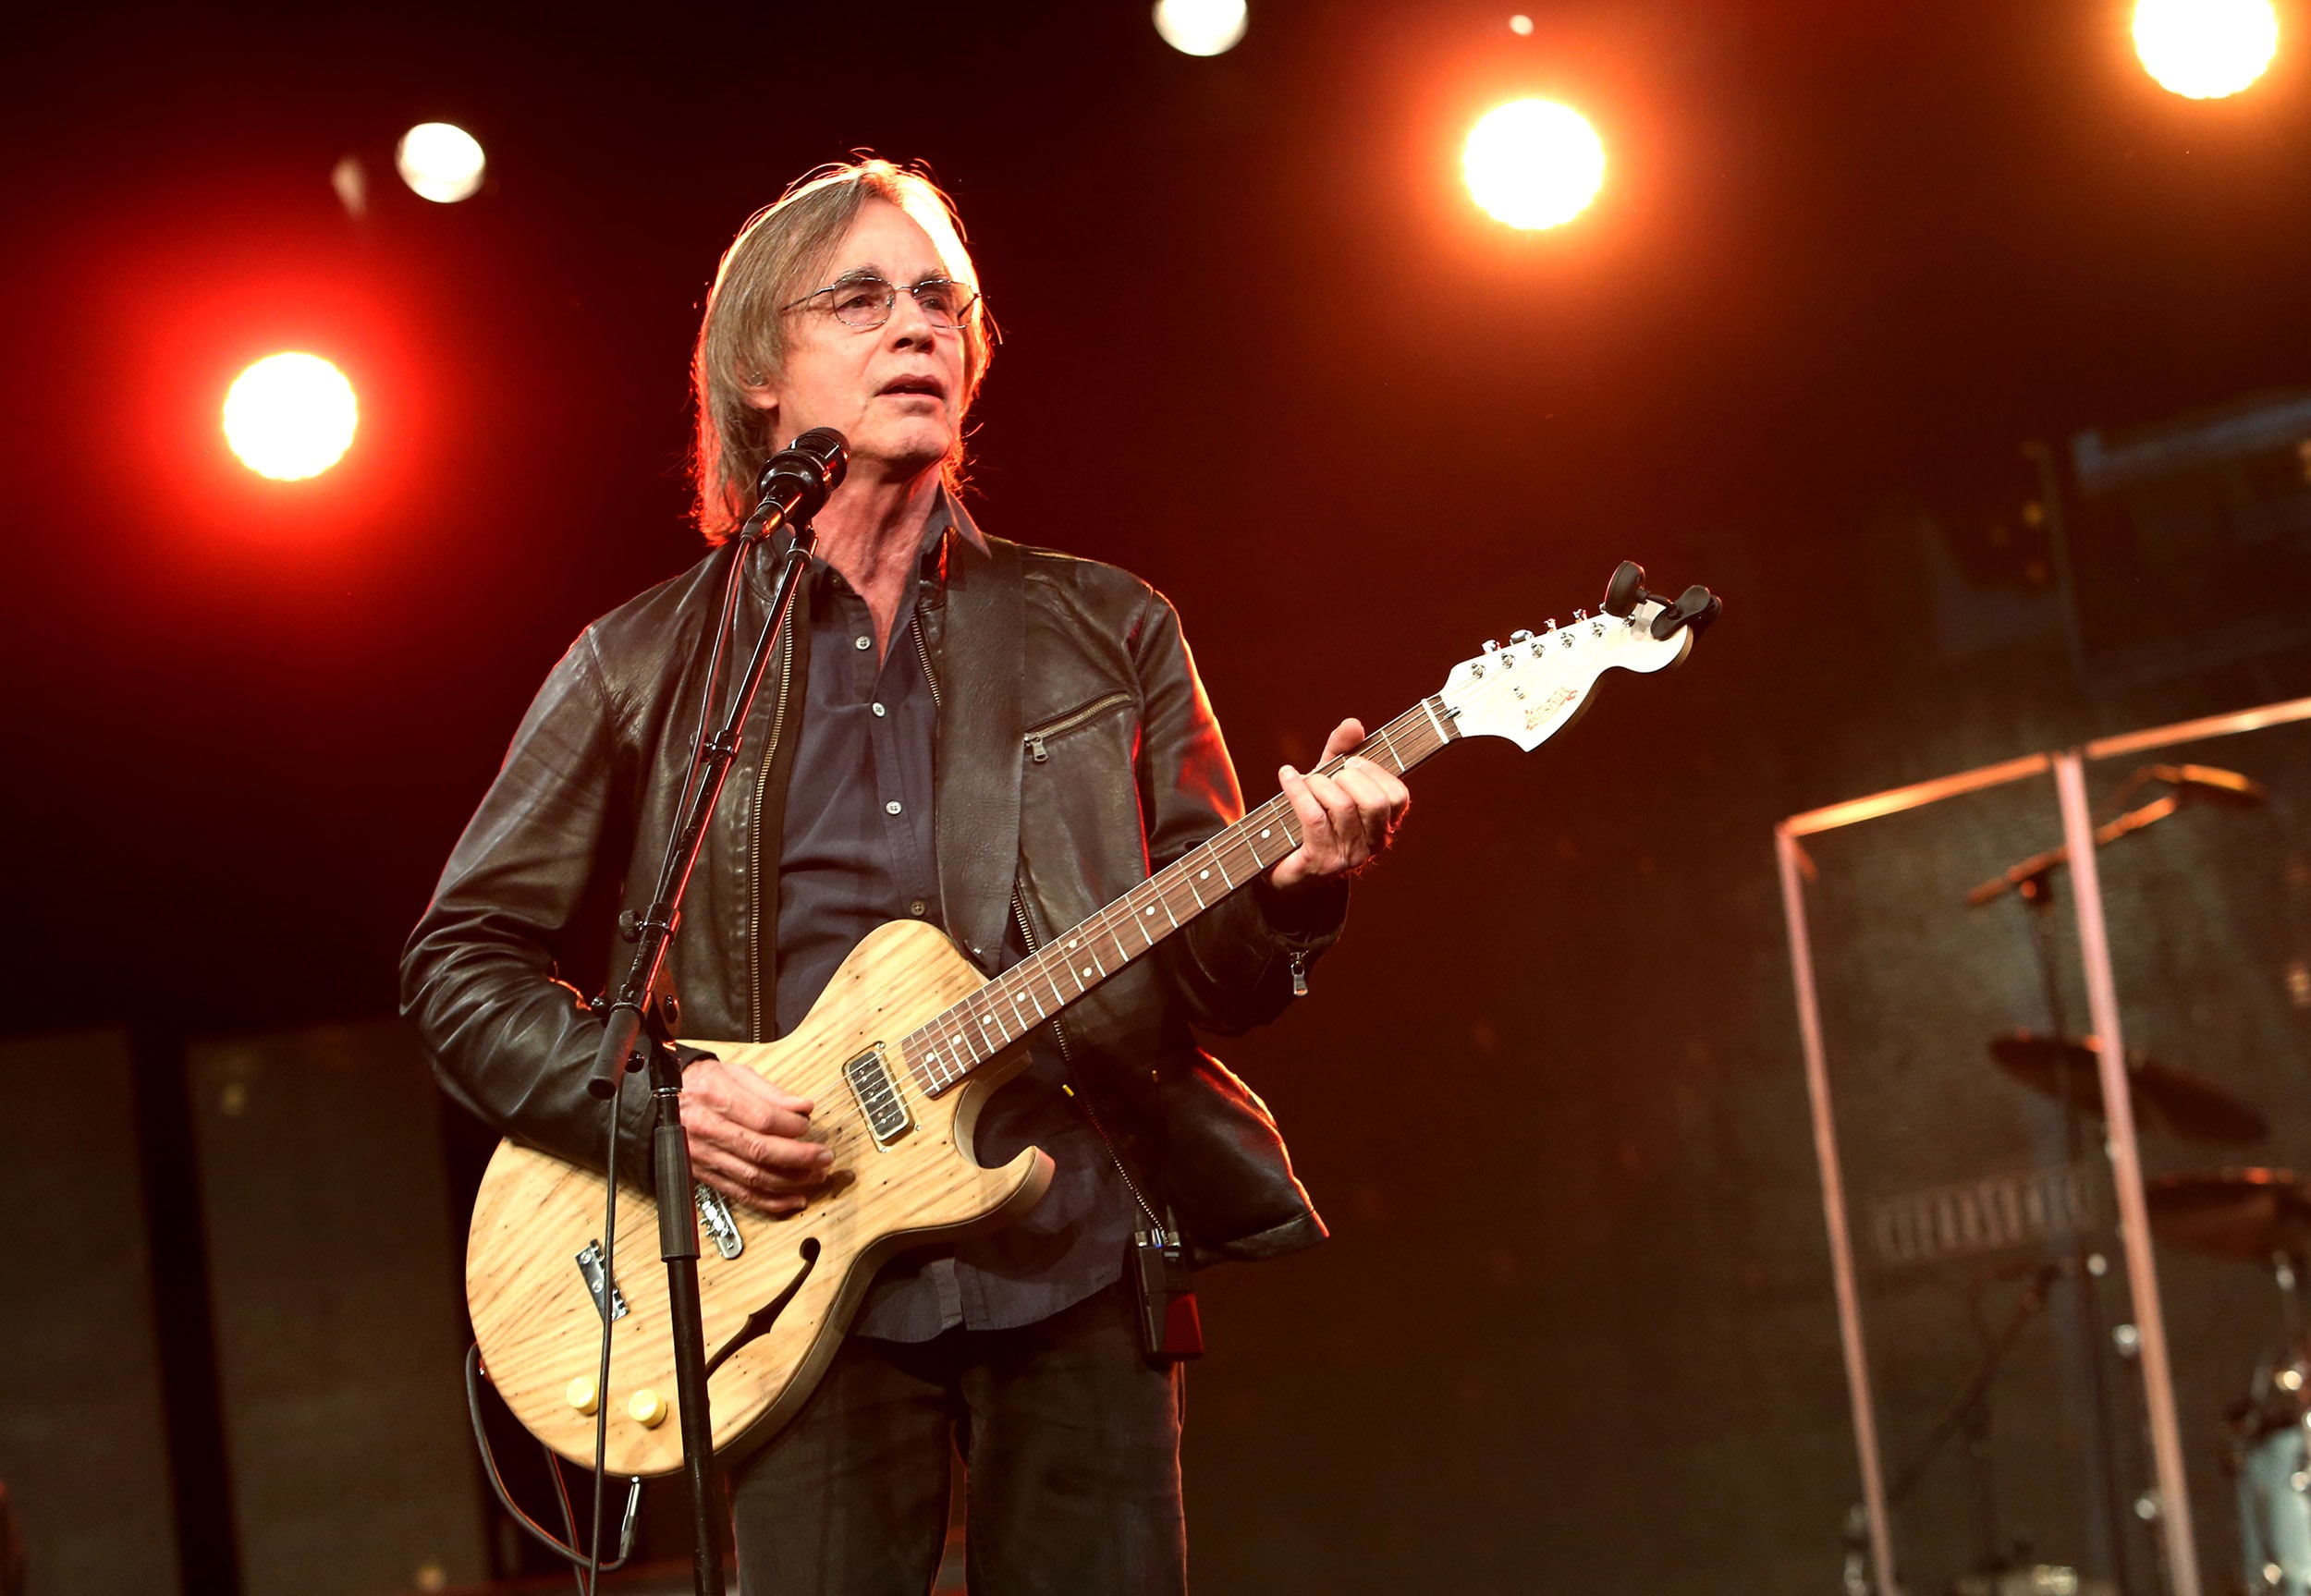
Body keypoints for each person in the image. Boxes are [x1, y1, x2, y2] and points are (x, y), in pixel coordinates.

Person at [401, 157, 1410, 1596]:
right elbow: (459, 966)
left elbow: (1212, 976)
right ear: (758, 372)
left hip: (1073, 1251)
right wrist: (660, 1097)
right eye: (863, 297)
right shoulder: (644, 665)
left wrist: (1300, 887)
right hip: (783, 1287)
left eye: (943, 297)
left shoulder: (1104, 627)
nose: (918, 325)